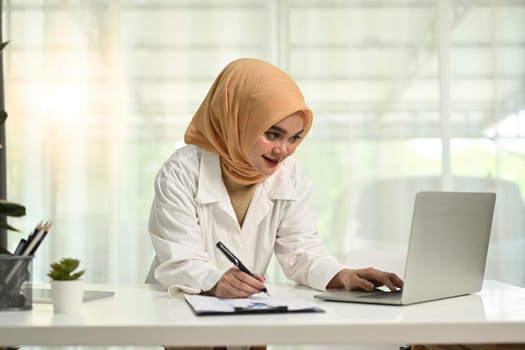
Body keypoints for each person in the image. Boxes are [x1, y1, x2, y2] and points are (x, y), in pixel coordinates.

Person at [145, 57, 403, 349]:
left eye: (295, 138)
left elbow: (301, 252)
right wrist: (214, 280)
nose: (284, 151)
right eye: (272, 134)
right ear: (237, 119)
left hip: (248, 316)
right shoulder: (181, 171)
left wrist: (341, 276)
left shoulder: (291, 177)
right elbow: (179, 258)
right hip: (185, 315)